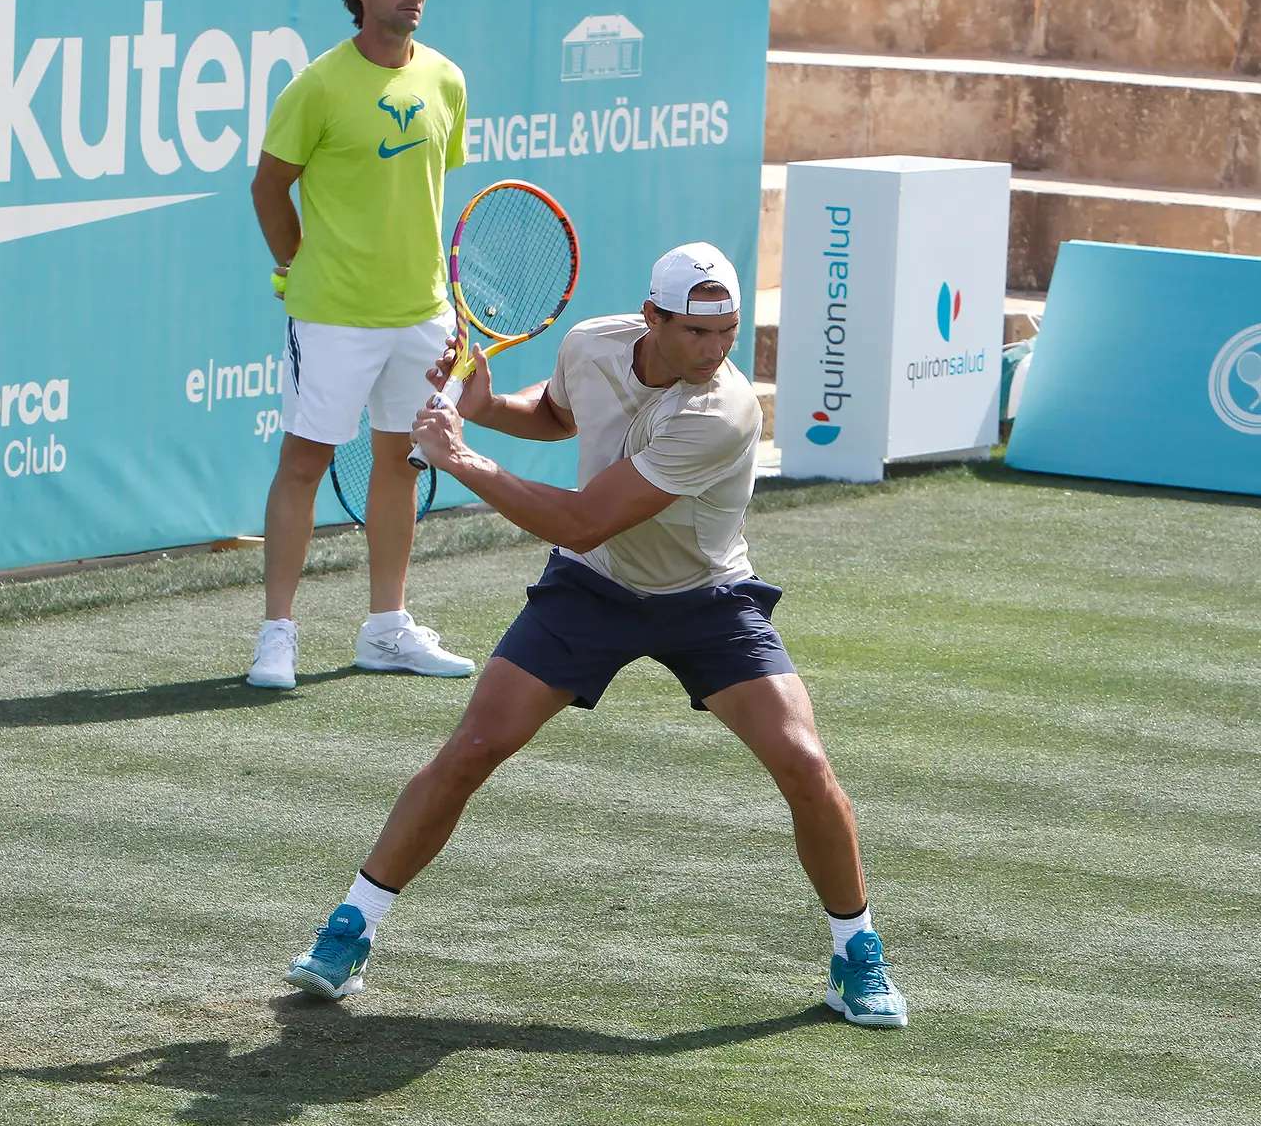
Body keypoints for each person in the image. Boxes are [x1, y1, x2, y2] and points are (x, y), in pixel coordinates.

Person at [280, 244, 909, 1028]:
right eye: (696, 332)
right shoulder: (593, 344)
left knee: (805, 763)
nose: (716, 351)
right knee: (472, 749)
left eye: (729, 333)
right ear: (652, 319)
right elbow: (555, 415)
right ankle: (351, 928)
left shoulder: (723, 410)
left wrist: (463, 460)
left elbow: (584, 519)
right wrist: (481, 403)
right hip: (594, 590)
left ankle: (857, 954)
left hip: (707, 597)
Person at [246, 0, 474, 687]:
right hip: (333, 314)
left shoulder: (445, 79)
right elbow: (268, 185)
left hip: (421, 313)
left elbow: (429, 197)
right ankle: (277, 633)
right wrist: (293, 263)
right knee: (304, 461)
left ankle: (386, 629)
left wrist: (450, 303)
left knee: (401, 464)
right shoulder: (316, 85)